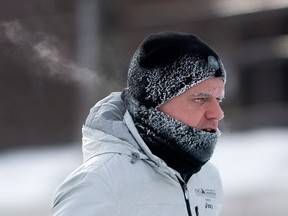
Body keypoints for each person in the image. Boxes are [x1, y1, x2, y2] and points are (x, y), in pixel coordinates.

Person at [51, 31, 227, 216]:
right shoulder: (100, 181)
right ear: (154, 103)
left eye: (218, 99)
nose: (218, 113)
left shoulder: (207, 179)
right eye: (200, 98)